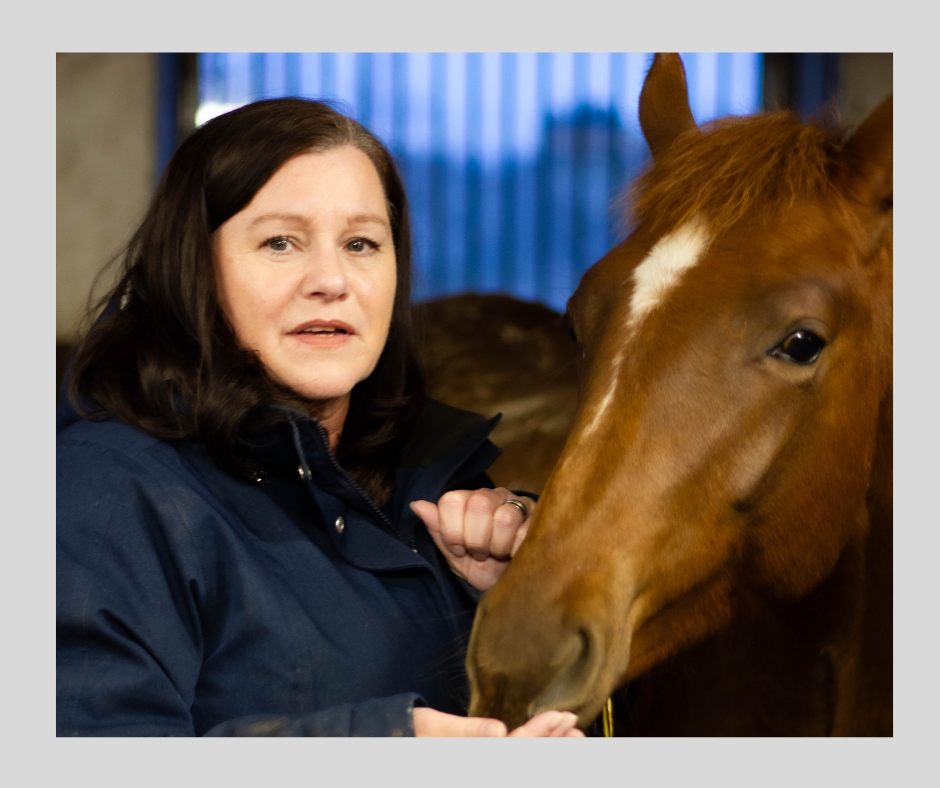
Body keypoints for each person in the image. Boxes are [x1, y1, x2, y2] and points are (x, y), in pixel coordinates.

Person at [56, 98, 583, 738]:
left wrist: (514, 600)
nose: (332, 281)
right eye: (280, 242)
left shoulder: (433, 479)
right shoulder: (106, 493)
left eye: (361, 243)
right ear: (192, 268)